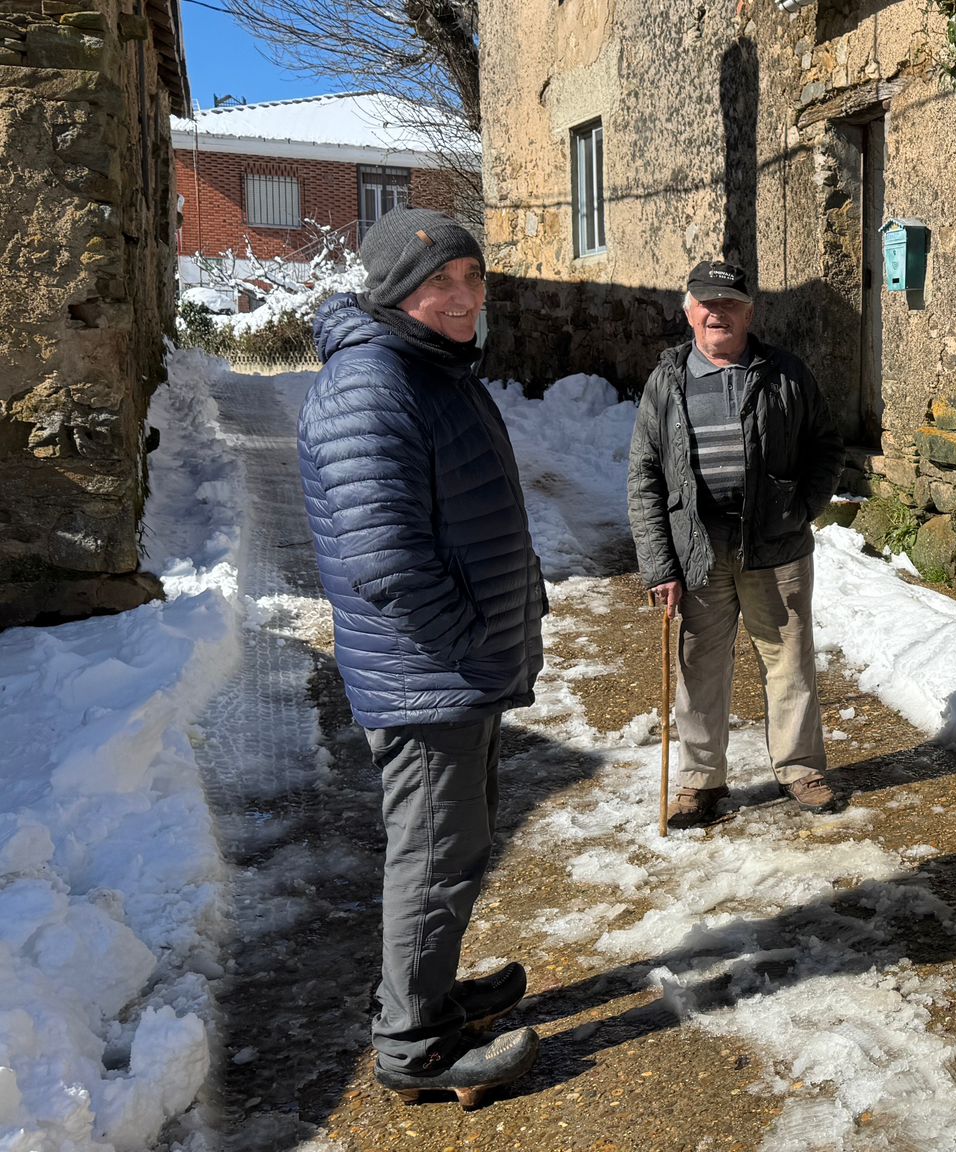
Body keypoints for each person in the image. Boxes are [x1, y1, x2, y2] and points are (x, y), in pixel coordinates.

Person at [298, 208, 545, 1105]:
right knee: (437, 854)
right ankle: (413, 1046)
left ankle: (430, 995)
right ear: (396, 291)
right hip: (429, 674)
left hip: (451, 672)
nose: (463, 297)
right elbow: (386, 561)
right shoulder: (373, 385)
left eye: (472, 278)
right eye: (441, 282)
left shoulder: (427, 369)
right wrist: (468, 640)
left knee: (458, 843)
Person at [627, 259, 845, 827]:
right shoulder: (667, 380)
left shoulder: (786, 372)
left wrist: (800, 508)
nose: (716, 312)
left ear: (750, 311)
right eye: (706, 303)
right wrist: (658, 565)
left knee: (789, 660)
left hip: (776, 547)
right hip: (697, 548)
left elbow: (827, 446)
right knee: (699, 665)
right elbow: (644, 474)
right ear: (689, 310)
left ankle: (800, 767)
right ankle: (700, 782)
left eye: (729, 303)